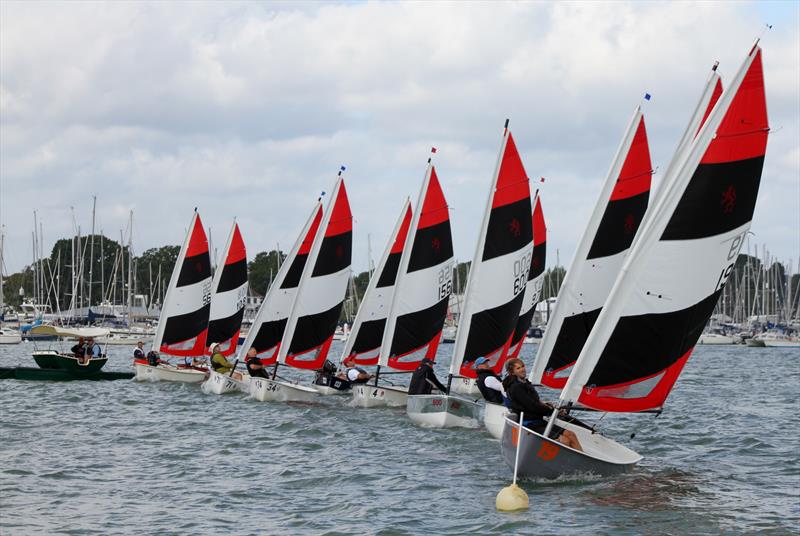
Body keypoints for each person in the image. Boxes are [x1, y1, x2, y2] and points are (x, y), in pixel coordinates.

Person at [502, 358, 582, 452]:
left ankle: (586, 463)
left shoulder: (524, 383)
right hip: (529, 424)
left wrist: (547, 405)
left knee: (571, 435)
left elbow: (535, 401)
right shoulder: (515, 387)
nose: (522, 369)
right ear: (512, 372)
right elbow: (532, 406)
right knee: (565, 441)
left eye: (522, 366)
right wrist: (553, 412)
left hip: (538, 421)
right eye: (518, 368)